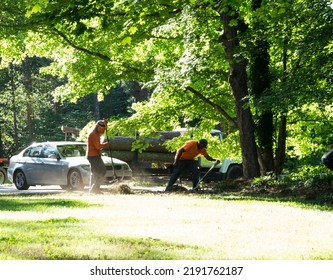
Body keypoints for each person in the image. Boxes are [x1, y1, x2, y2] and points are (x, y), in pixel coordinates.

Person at [86, 119, 111, 194]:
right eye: (101, 129)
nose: (102, 131)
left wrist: (105, 124)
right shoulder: (94, 134)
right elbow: (98, 147)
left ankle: (92, 190)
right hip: (93, 156)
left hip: (93, 155)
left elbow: (102, 130)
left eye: (103, 129)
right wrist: (106, 144)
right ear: (97, 127)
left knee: (94, 173)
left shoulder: (96, 131)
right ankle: (95, 188)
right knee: (102, 171)